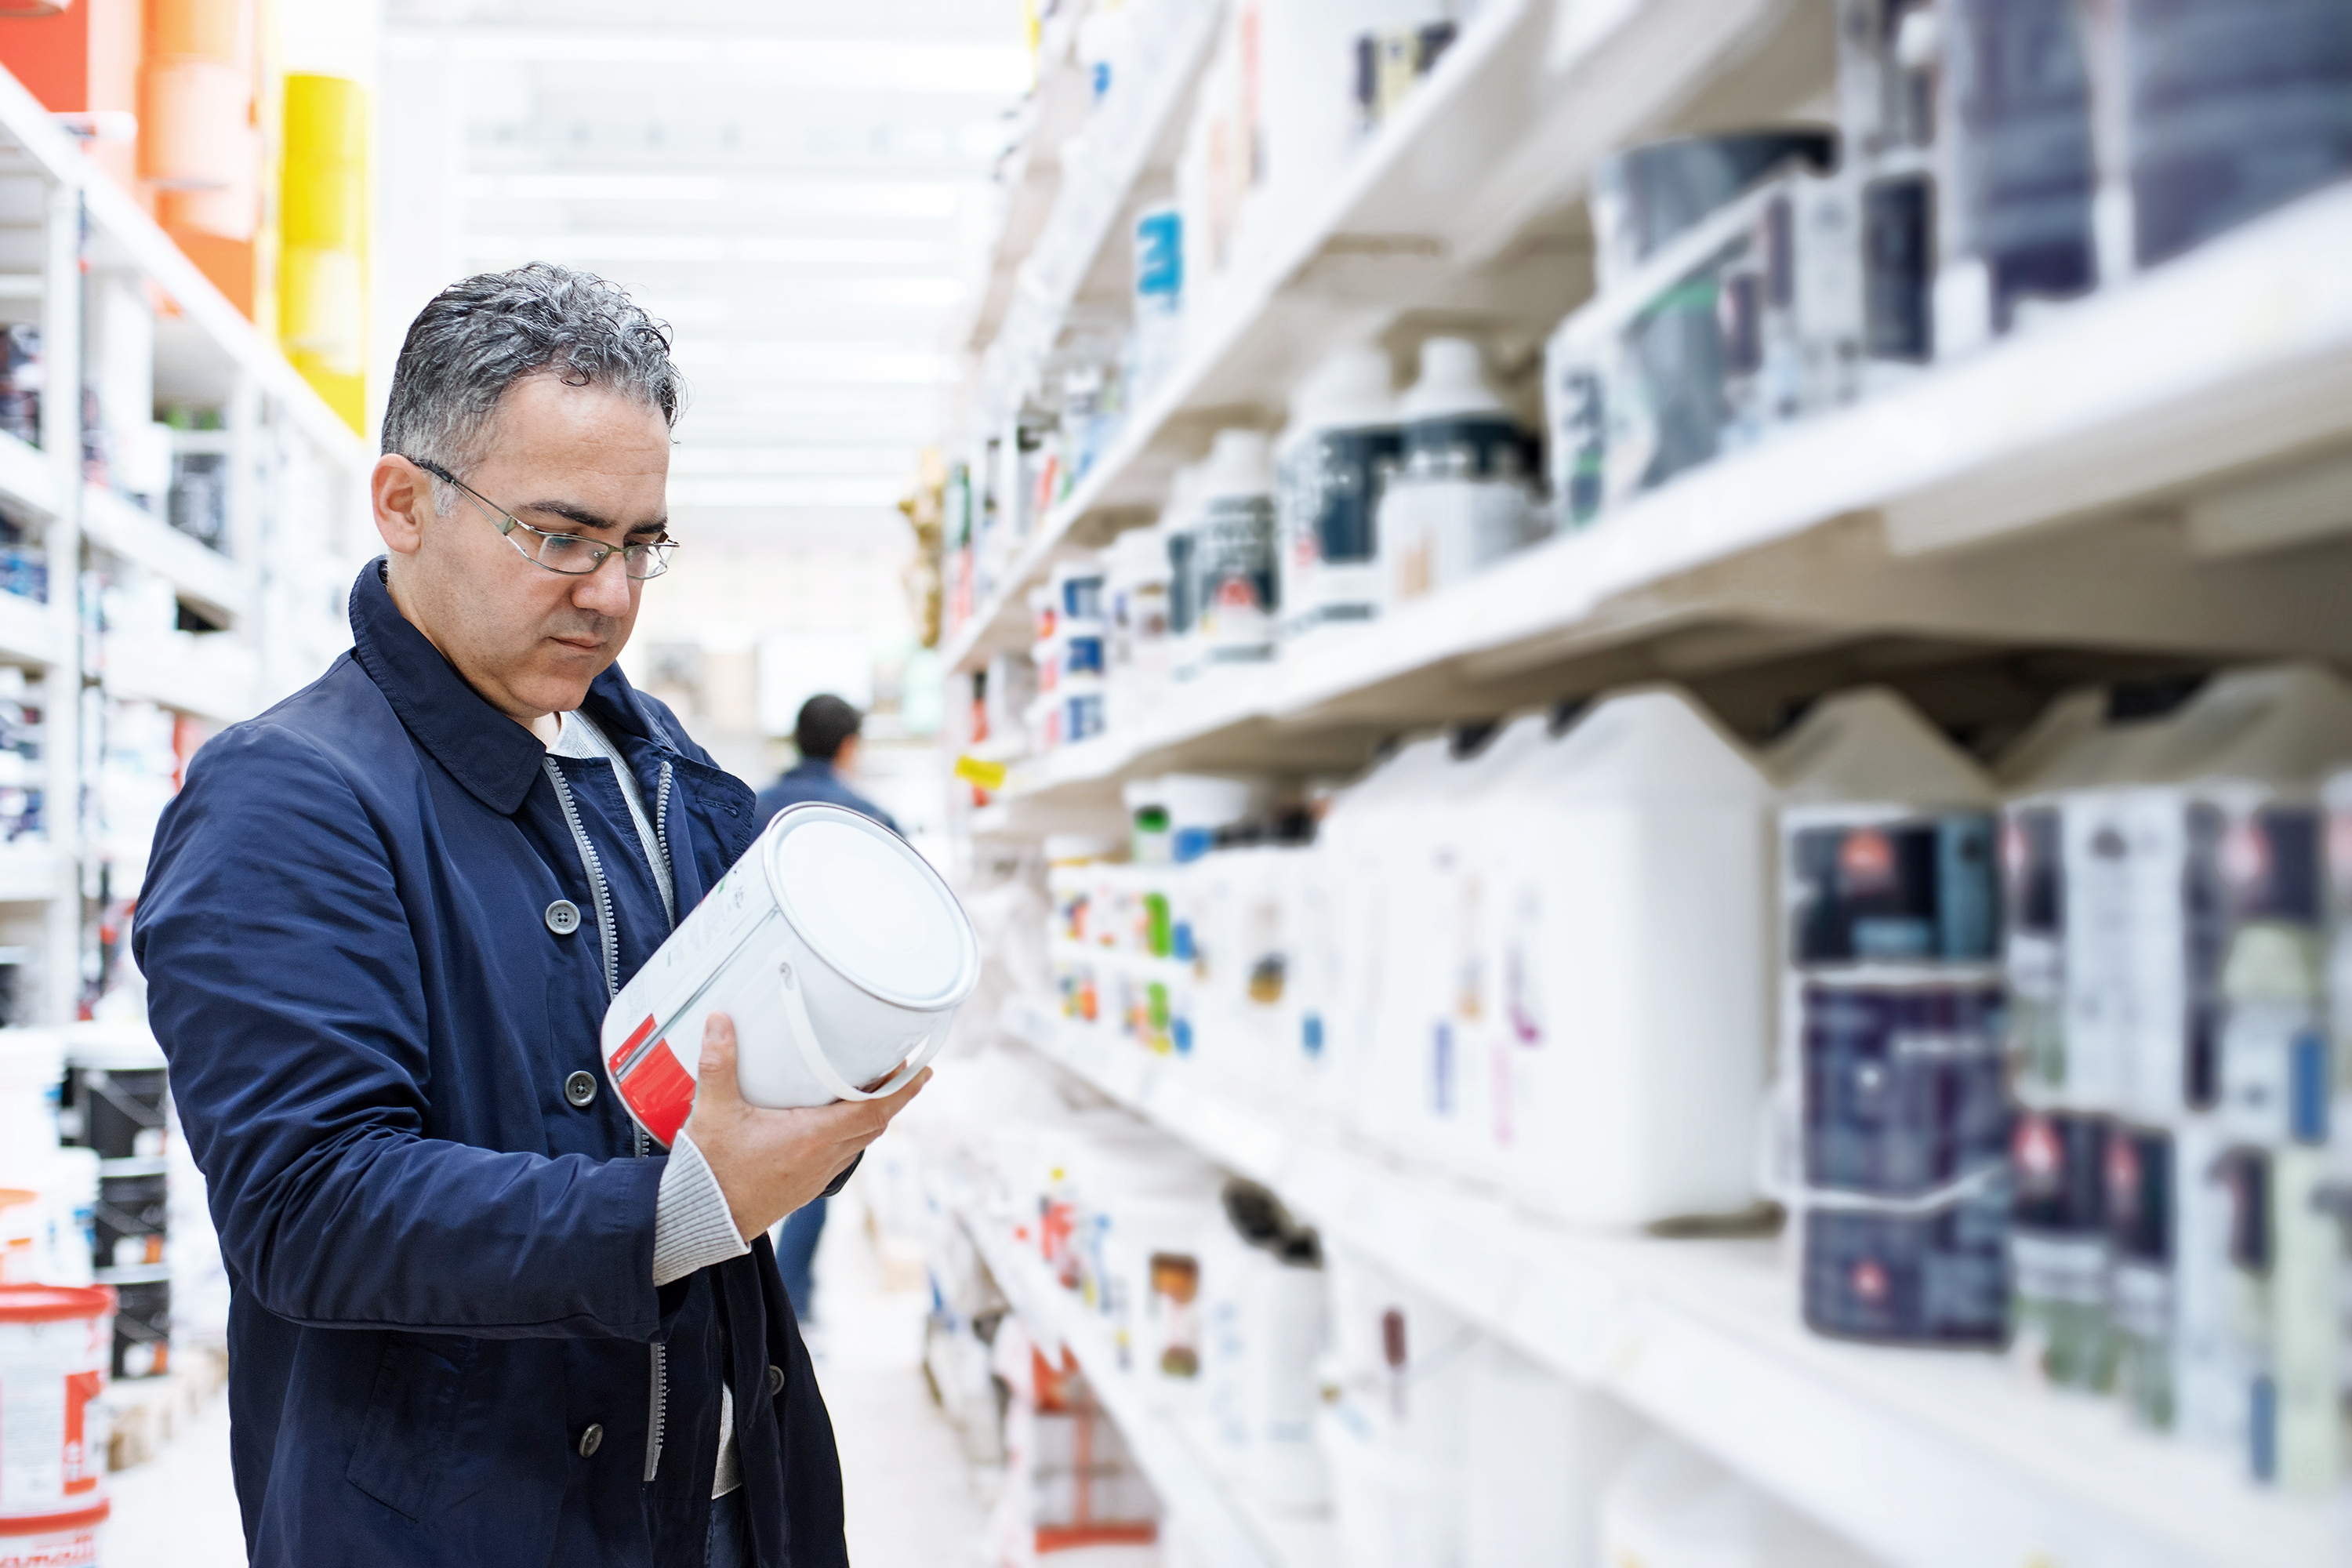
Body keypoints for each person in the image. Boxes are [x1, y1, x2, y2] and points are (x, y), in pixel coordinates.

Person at [132, 263, 928, 1568]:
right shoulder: (285, 800)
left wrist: (831, 1087)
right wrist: (687, 1206)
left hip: (732, 1509)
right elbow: (309, 1206)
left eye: (639, 544)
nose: (611, 594)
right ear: (404, 503)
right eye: (561, 537)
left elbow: (740, 1111)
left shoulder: (664, 769)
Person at [751, 695, 898, 1324]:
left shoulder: (746, 807)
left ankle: (743, 1300)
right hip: (835, 1022)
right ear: (848, 747)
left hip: (748, 1010)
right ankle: (791, 1300)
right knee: (817, 1157)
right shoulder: (870, 819)